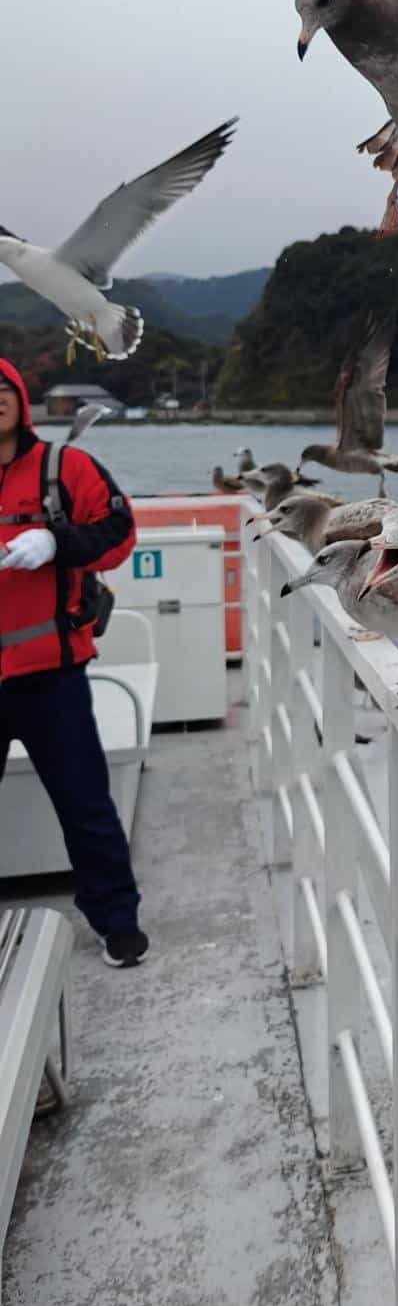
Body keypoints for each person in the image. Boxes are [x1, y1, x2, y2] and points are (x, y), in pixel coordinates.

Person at [0, 359, 148, 966]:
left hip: (51, 675)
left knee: (85, 804)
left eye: (2, 389)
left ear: (21, 400)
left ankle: (117, 921)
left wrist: (57, 543)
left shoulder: (65, 468)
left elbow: (119, 534)